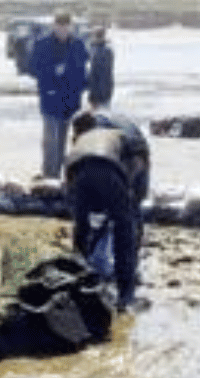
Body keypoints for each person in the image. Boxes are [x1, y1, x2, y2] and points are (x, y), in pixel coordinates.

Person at [63, 108, 151, 311]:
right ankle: (126, 294)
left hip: (78, 169)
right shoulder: (117, 134)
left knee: (82, 228)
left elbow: (70, 183)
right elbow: (137, 170)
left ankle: (78, 281)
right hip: (109, 167)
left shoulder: (84, 138)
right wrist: (126, 201)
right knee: (124, 227)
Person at [30, 11, 89, 179]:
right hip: (50, 98)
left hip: (71, 100)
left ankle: (59, 174)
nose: (63, 29)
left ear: (71, 26)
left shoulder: (78, 44)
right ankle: (50, 175)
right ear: (54, 26)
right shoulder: (42, 44)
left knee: (63, 140)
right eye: (60, 26)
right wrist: (52, 72)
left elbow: (83, 70)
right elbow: (32, 67)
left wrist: (82, 88)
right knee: (51, 140)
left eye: (66, 26)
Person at [86, 22, 116, 108]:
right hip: (104, 92)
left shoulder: (99, 51)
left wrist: (96, 97)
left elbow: (100, 75)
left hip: (100, 94)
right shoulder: (101, 50)